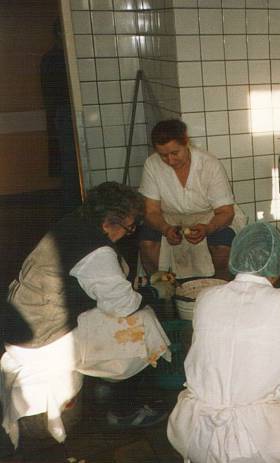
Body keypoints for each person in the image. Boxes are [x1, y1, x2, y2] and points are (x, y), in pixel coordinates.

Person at [0, 182, 174, 449]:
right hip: (43, 339)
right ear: (108, 222)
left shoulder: (75, 220)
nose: (129, 234)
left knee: (123, 317)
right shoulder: (97, 252)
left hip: (21, 322)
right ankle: (123, 411)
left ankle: (106, 383)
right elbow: (124, 305)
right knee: (141, 324)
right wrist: (155, 292)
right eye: (129, 228)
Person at [168, 222, 280, 463]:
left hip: (196, 434)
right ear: (277, 265)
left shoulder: (206, 297)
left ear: (236, 258)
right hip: (261, 442)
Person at [139, 119, 237, 281]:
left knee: (222, 245)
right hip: (168, 218)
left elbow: (226, 212)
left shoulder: (209, 164)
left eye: (175, 153)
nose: (170, 160)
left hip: (209, 216)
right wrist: (166, 229)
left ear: (186, 143)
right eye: (163, 155)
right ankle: (162, 291)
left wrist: (208, 228)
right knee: (147, 243)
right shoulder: (152, 165)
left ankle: (220, 289)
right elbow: (151, 211)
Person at [40, 18, 82, 211]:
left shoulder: (52, 58)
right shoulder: (58, 59)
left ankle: (72, 209)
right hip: (66, 112)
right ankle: (72, 210)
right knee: (71, 166)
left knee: (71, 165)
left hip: (63, 113)